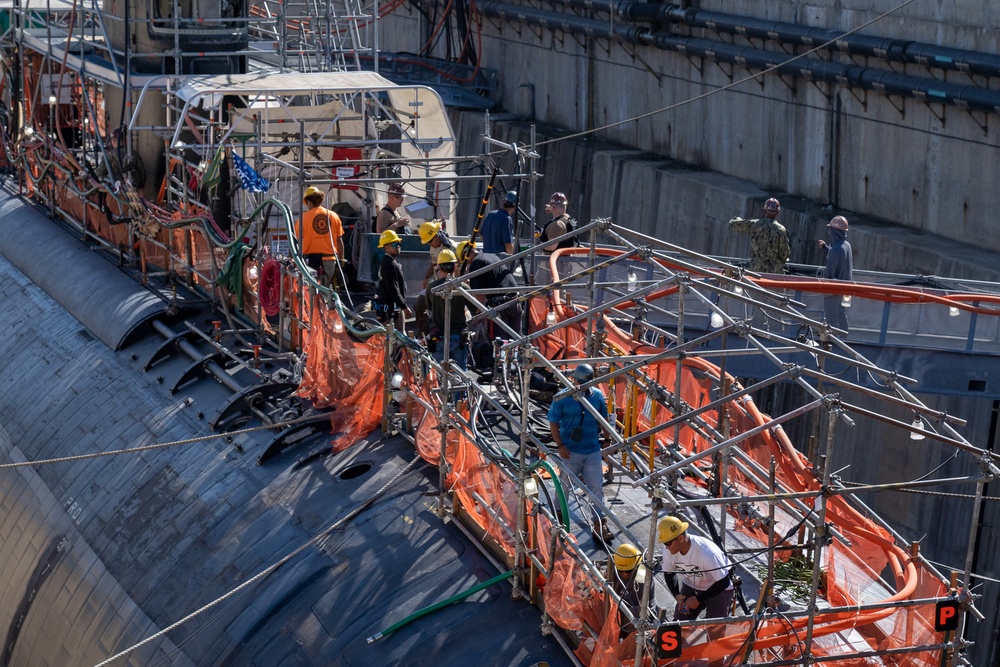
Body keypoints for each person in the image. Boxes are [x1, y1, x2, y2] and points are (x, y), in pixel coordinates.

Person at [547, 363, 613, 542]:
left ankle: (599, 523)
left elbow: (604, 419)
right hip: (571, 451)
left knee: (596, 488)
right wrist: (560, 445)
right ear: (573, 379)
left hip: (591, 450)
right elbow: (553, 422)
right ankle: (559, 517)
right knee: (564, 486)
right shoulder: (561, 398)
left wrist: (607, 441)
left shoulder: (597, 396)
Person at [657, 516, 734, 622]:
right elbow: (669, 573)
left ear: (680, 538)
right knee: (679, 624)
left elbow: (723, 582)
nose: (666, 547)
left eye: (668, 543)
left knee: (715, 627)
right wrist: (677, 595)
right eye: (665, 543)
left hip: (718, 587)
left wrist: (699, 599)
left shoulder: (707, 553)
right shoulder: (669, 551)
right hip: (692, 584)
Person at [456, 239, 522, 339]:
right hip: (515, 300)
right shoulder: (490, 256)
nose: (468, 264)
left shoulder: (476, 263)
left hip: (500, 305)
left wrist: (478, 312)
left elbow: (479, 295)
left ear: (466, 254)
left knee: (500, 342)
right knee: (514, 340)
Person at [425, 248, 471, 370]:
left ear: (439, 267)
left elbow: (429, 306)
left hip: (439, 337)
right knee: (460, 376)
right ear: (455, 266)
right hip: (458, 336)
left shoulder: (432, 287)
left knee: (439, 375)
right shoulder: (463, 287)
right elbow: (475, 308)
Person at [295, 186, 344, 288]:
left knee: (311, 291)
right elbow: (339, 240)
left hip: (310, 261)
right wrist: (342, 259)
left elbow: (295, 241)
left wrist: (292, 259)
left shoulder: (303, 218)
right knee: (328, 292)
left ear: (308, 201)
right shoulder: (334, 216)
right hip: (330, 260)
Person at [728, 197, 790, 274]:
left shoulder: (755, 225)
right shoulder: (781, 230)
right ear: (777, 212)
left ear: (765, 210)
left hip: (756, 270)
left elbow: (733, 224)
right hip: (774, 273)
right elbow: (784, 253)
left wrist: (737, 218)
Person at [415, 220, 455, 335]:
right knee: (420, 304)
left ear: (437, 236)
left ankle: (438, 334)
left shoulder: (450, 248)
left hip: (449, 284)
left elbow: (458, 268)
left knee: (441, 312)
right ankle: (424, 334)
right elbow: (433, 263)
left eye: (430, 241)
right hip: (437, 284)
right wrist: (427, 277)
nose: (429, 244)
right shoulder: (433, 248)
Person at [819, 215, 853, 333]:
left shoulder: (835, 249)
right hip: (846, 290)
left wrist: (824, 288)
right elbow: (840, 257)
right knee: (841, 314)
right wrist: (826, 248)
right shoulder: (847, 246)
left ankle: (833, 341)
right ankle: (844, 338)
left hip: (834, 291)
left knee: (831, 317)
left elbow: (830, 272)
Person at [373, 230, 411, 326]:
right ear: (386, 248)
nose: (398, 246)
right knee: (395, 338)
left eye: (398, 243)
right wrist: (404, 307)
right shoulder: (390, 265)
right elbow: (393, 288)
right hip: (391, 311)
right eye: (394, 244)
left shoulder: (387, 262)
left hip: (389, 308)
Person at [481, 190, 516, 255]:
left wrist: (490, 246)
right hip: (499, 259)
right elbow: (508, 244)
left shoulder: (490, 214)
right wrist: (511, 258)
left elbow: (482, 235)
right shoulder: (506, 219)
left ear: (503, 202)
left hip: (486, 256)